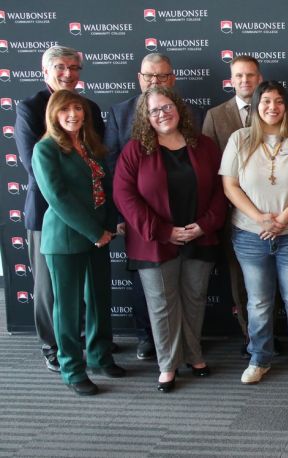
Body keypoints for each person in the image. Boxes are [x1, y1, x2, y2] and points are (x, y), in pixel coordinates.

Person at [114, 86, 227, 392]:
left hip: (199, 237)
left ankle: (194, 355)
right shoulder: (135, 150)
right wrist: (164, 231)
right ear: (146, 117)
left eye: (167, 107)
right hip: (154, 241)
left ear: (178, 108)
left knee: (194, 299)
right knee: (162, 305)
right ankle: (168, 365)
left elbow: (221, 190)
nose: (162, 114)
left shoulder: (204, 145)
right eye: (154, 110)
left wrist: (204, 225)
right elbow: (125, 196)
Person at [219, 81, 288, 384]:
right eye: (265, 101)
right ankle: (259, 359)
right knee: (258, 302)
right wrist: (260, 219)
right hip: (250, 234)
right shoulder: (239, 139)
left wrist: (283, 219)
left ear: (286, 107)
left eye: (278, 101)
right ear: (256, 105)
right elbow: (230, 186)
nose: (272, 107)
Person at [104, 52, 202, 361]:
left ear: (172, 79)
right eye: (149, 75)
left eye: (161, 76)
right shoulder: (120, 113)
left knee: (187, 289)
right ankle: (147, 337)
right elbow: (111, 168)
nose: (154, 81)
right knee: (146, 285)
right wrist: (121, 216)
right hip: (139, 220)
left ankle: (186, 346)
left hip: (186, 216)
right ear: (139, 78)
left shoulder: (191, 114)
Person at [15, 45, 105, 373]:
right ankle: (53, 346)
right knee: (49, 287)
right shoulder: (30, 108)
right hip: (47, 213)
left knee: (87, 289)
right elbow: (34, 166)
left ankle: (86, 342)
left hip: (90, 214)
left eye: (74, 68)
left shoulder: (90, 108)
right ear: (45, 72)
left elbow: (99, 161)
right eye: (60, 67)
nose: (68, 74)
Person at [31, 89, 123, 395]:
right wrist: (95, 232)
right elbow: (58, 198)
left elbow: (106, 188)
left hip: (99, 235)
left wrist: (107, 226)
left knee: (99, 299)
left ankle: (100, 356)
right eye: (65, 110)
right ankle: (72, 369)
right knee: (68, 309)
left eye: (78, 109)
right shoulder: (45, 149)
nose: (73, 115)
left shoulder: (90, 144)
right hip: (65, 240)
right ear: (53, 115)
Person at [202, 55, 264, 358]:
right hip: (232, 213)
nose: (245, 81)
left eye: (250, 75)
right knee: (240, 278)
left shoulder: (274, 109)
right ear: (231, 79)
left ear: (259, 78)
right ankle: (250, 335)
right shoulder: (215, 116)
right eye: (239, 75)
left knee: (270, 278)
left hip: (272, 211)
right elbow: (208, 168)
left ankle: (268, 334)